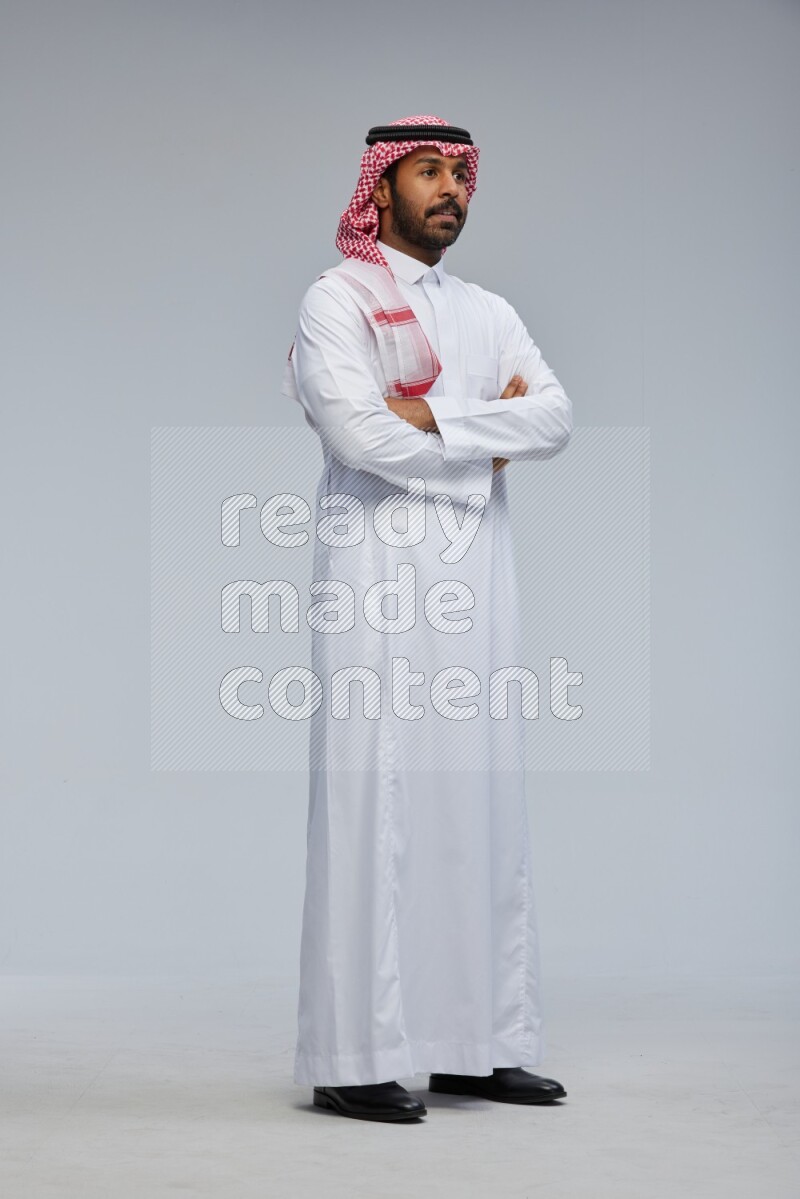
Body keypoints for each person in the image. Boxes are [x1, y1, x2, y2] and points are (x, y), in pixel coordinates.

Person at [282, 115, 572, 1123]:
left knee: (477, 796)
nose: (449, 189)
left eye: (459, 172)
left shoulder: (488, 308)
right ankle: (351, 1053)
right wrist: (477, 430)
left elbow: (553, 418)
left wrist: (432, 416)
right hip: (374, 573)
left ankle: (478, 1042)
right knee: (375, 800)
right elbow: (356, 434)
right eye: (427, 171)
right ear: (380, 188)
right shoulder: (337, 298)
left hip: (476, 579)